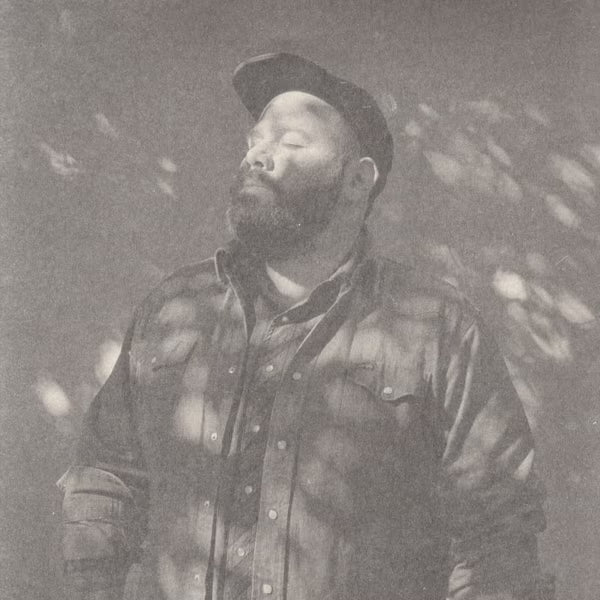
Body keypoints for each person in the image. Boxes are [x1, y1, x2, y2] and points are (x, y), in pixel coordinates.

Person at [58, 53, 554, 600]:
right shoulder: (172, 309)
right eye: (254, 141)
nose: (258, 155)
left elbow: (498, 536)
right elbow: (106, 475)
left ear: (357, 180)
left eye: (292, 142)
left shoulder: (438, 328)